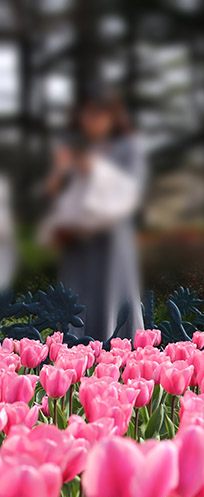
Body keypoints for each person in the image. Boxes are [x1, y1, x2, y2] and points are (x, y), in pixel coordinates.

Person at [40, 88, 144, 340]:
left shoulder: (129, 147)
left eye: (98, 113)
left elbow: (130, 194)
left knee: (111, 300)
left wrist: (94, 168)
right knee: (76, 303)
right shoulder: (72, 147)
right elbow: (53, 192)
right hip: (75, 239)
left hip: (110, 238)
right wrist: (61, 169)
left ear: (112, 116)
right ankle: (73, 365)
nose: (91, 119)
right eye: (86, 113)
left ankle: (117, 361)